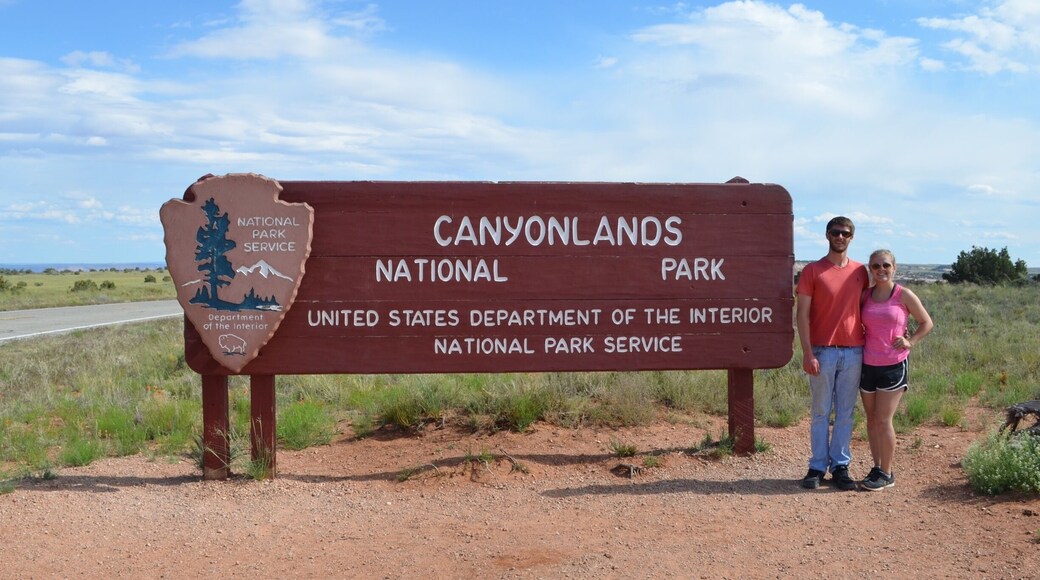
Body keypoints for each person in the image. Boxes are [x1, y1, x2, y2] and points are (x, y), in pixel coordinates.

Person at [796, 217, 869, 490]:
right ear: (827, 235)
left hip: (853, 352)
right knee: (820, 412)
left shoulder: (861, 272)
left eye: (845, 233)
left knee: (846, 413)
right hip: (822, 351)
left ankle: (840, 466)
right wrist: (807, 352)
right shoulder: (812, 271)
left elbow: (868, 308)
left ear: (852, 237)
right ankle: (816, 467)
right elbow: (801, 314)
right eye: (836, 232)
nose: (840, 237)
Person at [859, 249, 933, 490]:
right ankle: (877, 467)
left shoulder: (903, 295)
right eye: (876, 266)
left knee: (883, 420)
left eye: (886, 265)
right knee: (871, 420)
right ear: (870, 269)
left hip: (893, 364)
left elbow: (926, 322)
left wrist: (911, 341)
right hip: (867, 363)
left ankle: (887, 473)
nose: (881, 270)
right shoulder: (865, 296)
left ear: (894, 268)